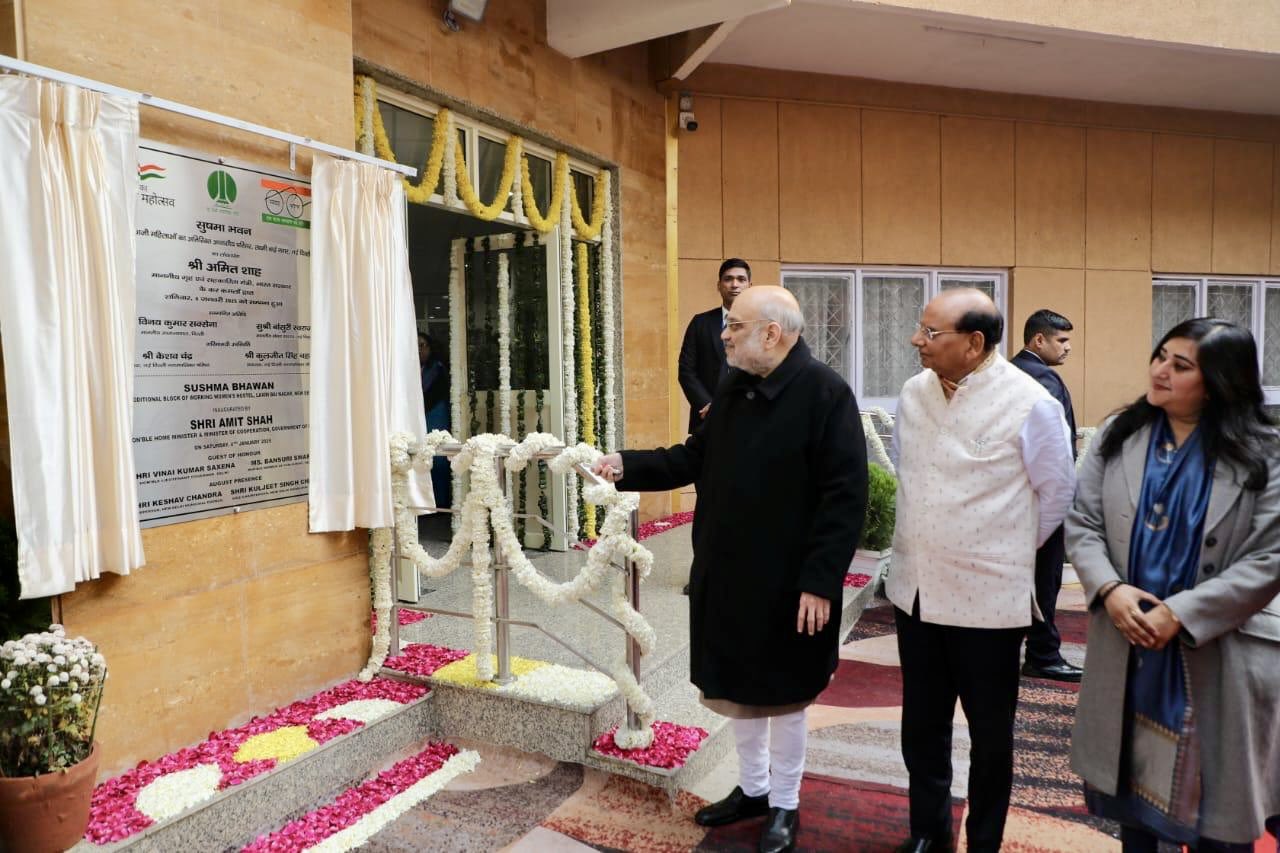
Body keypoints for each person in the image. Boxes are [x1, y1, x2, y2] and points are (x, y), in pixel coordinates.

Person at [593, 286, 867, 853]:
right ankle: (755, 789)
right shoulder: (733, 385)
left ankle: (785, 804)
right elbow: (695, 456)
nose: (724, 335)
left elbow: (844, 499)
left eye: (735, 326)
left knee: (787, 695)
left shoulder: (826, 393)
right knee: (741, 688)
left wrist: (820, 582)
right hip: (729, 573)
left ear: (772, 333)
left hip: (791, 582)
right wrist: (625, 465)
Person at [1066, 318, 1280, 853]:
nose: (1160, 370)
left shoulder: (1266, 452)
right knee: (1134, 803)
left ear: (1218, 382)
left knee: (1218, 816)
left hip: (1221, 648)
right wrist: (1110, 590)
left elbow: (1270, 557)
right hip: (1130, 641)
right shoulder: (1120, 435)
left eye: (1180, 365)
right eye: (1160, 356)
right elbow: (1083, 523)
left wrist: (1181, 613)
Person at [888, 289, 1076, 853]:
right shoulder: (914, 392)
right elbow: (910, 470)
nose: (917, 341)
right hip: (916, 592)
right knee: (922, 727)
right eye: (920, 328)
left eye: (931, 333)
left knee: (990, 735)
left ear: (974, 343)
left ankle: (984, 840)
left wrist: (1000, 548)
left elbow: (1056, 494)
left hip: (989, 602)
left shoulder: (1029, 401)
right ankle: (928, 832)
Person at [1011, 309, 1084, 683]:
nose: (1068, 347)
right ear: (1038, 340)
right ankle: (1043, 654)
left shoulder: (1010, 371)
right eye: (1062, 340)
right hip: (1041, 495)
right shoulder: (1043, 378)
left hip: (1014, 496)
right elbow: (1056, 451)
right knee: (1045, 577)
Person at [674, 258, 751, 595]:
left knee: (745, 503)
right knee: (707, 503)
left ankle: (742, 572)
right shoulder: (701, 323)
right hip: (706, 428)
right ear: (719, 284)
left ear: (749, 285)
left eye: (741, 279)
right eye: (729, 279)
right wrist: (707, 405)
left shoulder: (761, 326)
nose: (734, 284)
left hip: (749, 428)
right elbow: (686, 369)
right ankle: (704, 574)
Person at [419, 331, 451, 507]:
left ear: (430, 348)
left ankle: (440, 502)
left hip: (435, 416)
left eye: (422, 345)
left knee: (438, 458)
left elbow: (434, 395)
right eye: (415, 346)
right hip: (421, 418)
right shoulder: (411, 368)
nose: (419, 350)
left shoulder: (437, 369)